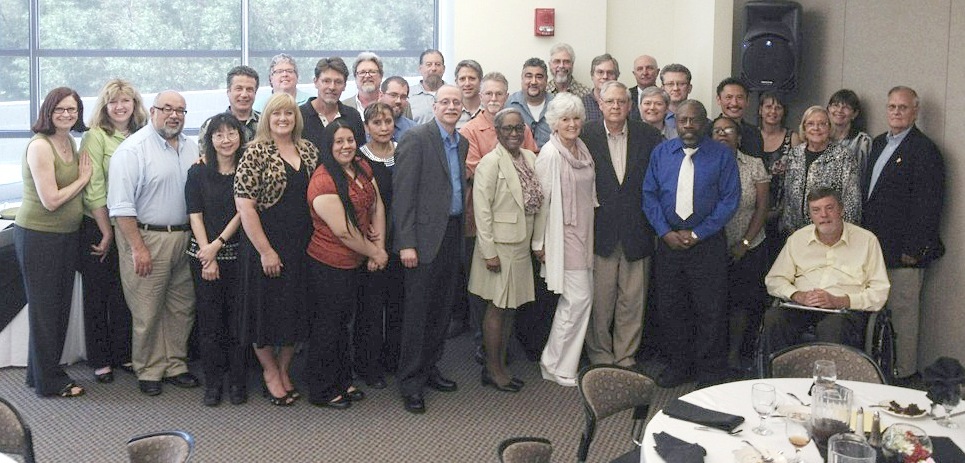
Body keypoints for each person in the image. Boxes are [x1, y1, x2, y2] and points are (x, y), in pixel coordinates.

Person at [642, 99, 739, 387]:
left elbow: (729, 201)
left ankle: (710, 371)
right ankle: (678, 365)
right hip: (669, 243)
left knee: (710, 308)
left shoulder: (722, 156)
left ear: (704, 123)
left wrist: (698, 233)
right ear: (675, 122)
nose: (687, 126)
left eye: (694, 120)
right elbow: (650, 196)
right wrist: (664, 232)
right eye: (682, 120)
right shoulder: (661, 153)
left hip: (707, 244)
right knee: (671, 307)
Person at [108, 91, 199, 397]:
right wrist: (137, 247)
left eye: (181, 111)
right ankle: (148, 369)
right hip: (146, 237)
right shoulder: (132, 150)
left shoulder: (192, 147)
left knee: (181, 307)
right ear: (152, 110)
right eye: (167, 109)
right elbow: (120, 207)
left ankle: (175, 365)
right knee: (147, 310)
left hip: (184, 237)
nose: (174, 115)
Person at [234, 93, 319, 406]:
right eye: (276, 114)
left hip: (302, 245)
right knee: (264, 313)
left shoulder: (309, 150)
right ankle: (270, 371)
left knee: (294, 312)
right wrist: (266, 251)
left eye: (288, 114)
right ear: (267, 119)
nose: (283, 119)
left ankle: (285, 370)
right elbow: (245, 207)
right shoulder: (254, 152)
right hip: (264, 244)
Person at [393, 85, 468, 414]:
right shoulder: (417, 138)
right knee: (418, 313)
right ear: (434, 106)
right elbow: (403, 195)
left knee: (442, 308)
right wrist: (406, 243)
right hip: (421, 240)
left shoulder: (461, 141)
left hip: (452, 233)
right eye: (446, 102)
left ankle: (430, 367)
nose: (451, 106)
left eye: (456, 102)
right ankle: (410, 381)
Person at [862, 86, 945, 384]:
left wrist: (915, 248)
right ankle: (876, 374)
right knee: (874, 315)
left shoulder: (924, 150)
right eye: (892, 107)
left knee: (903, 317)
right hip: (874, 249)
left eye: (903, 107)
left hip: (904, 252)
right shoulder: (877, 143)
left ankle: (903, 378)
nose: (896, 112)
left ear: (915, 111)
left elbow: (929, 203)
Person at [306, 120, 388, 409]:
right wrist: (375, 254)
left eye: (350, 140)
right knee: (328, 327)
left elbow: (377, 205)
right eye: (339, 142)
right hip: (330, 263)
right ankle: (321, 389)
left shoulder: (362, 167)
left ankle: (342, 379)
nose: (346, 146)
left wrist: (379, 247)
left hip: (357, 259)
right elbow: (343, 231)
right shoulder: (323, 180)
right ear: (329, 146)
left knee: (343, 325)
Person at [16, 87, 92, 398]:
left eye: (72, 110)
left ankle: (38, 374)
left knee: (58, 309)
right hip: (39, 236)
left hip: (65, 236)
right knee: (46, 310)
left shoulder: (68, 141)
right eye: (60, 109)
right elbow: (51, 200)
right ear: (48, 111)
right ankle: (50, 382)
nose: (66, 114)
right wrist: (83, 180)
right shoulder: (40, 146)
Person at [580, 81, 662, 369]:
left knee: (632, 300)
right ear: (600, 104)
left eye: (621, 102)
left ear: (630, 106)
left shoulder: (649, 136)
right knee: (600, 301)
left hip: (637, 229)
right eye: (610, 102)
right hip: (599, 230)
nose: (615, 107)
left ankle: (626, 355)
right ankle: (600, 354)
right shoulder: (585, 134)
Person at [460, 72, 538, 359]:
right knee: (489, 301)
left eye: (499, 94)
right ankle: (488, 355)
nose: (494, 99)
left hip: (519, 234)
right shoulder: (471, 132)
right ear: (480, 97)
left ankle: (500, 354)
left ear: (508, 96)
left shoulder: (522, 135)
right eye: (488, 94)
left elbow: (531, 169)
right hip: (486, 231)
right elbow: (476, 174)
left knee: (510, 303)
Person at [467, 108, 542, 392]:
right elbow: (481, 210)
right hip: (498, 247)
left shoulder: (531, 158)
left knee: (511, 309)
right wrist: (488, 252)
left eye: (517, 128)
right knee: (497, 308)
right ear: (497, 132)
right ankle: (493, 369)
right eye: (507, 128)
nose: (513, 133)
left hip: (521, 245)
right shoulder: (489, 163)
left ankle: (501, 366)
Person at [763, 187, 890, 352]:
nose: (823, 215)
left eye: (829, 208)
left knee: (833, 327)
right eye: (816, 210)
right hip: (801, 307)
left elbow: (879, 292)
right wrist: (797, 295)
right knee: (774, 318)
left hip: (844, 312)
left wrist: (840, 300)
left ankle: (824, 376)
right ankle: (779, 375)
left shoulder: (867, 241)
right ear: (810, 215)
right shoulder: (797, 239)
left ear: (841, 210)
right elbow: (774, 280)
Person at [79, 79, 146, 384]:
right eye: (113, 102)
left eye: (125, 101)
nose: (120, 107)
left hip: (130, 225)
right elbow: (94, 188)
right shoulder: (95, 136)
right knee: (98, 296)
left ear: (135, 104)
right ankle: (101, 359)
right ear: (105, 107)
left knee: (125, 294)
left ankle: (123, 353)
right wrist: (106, 231)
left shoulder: (143, 134)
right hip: (99, 226)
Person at [532, 92, 597, 387]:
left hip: (585, 232)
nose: (572, 124)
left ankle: (558, 363)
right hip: (562, 236)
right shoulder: (550, 154)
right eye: (565, 120)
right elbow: (541, 202)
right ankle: (554, 364)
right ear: (554, 124)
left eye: (575, 118)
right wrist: (539, 243)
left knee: (579, 301)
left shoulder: (582, 149)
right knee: (578, 299)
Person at [185, 113, 247, 407]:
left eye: (231, 133)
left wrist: (219, 244)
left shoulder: (247, 169)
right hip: (203, 256)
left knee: (237, 321)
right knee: (209, 323)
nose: (226, 140)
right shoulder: (197, 172)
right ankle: (213, 384)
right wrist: (208, 254)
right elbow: (194, 213)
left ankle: (237, 382)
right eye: (219, 135)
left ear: (240, 136)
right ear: (210, 140)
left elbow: (244, 212)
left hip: (237, 255)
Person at [712, 116, 770, 371]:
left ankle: (734, 355)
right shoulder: (703, 163)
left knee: (741, 304)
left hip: (749, 245)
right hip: (711, 245)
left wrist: (745, 242)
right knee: (713, 304)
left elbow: (762, 207)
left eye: (728, 129)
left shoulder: (754, 165)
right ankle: (712, 357)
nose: (722, 133)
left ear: (739, 136)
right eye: (717, 130)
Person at [356, 103, 404, 388]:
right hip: (371, 241)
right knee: (370, 307)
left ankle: (394, 359)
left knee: (398, 304)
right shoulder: (359, 158)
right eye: (377, 123)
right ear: (367, 127)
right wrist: (374, 246)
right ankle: (368, 365)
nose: (384, 127)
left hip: (402, 241)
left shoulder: (404, 152)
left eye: (388, 122)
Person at [781, 106, 861, 235]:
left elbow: (852, 201)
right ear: (804, 128)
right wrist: (788, 229)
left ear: (830, 128)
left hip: (830, 232)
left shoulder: (843, 156)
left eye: (822, 124)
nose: (816, 128)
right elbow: (788, 196)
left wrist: (843, 233)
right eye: (811, 124)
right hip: (797, 232)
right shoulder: (795, 154)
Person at [757, 92, 799, 259]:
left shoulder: (793, 138)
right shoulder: (751, 136)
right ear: (760, 110)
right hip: (753, 213)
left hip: (781, 213)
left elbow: (797, 178)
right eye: (768, 106)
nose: (773, 111)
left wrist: (782, 209)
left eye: (778, 107)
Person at [300, 57, 366, 151]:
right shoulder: (298, 116)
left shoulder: (353, 116)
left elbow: (359, 156)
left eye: (338, 82)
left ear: (344, 86)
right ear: (315, 82)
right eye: (326, 81)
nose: (332, 87)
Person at [198, 65, 260, 154]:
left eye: (249, 89)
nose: (244, 94)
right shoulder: (210, 125)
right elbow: (205, 160)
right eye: (239, 89)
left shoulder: (266, 123)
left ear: (255, 93)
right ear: (228, 92)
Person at [507, 58, 554, 150]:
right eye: (529, 76)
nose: (533, 82)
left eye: (539, 77)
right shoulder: (509, 104)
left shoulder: (557, 104)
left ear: (546, 80)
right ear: (522, 78)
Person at [827, 89, 872, 180]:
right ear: (828, 109)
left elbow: (865, 176)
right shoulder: (820, 139)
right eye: (835, 105)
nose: (839, 110)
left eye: (846, 107)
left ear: (855, 113)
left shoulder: (863, 142)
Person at [715, 77, 764, 159]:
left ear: (747, 101)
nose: (734, 103)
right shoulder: (708, 130)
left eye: (739, 97)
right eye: (729, 97)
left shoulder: (754, 134)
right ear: (719, 100)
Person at [409, 49, 447, 123]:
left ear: (444, 69)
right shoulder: (408, 96)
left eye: (438, 64)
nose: (433, 68)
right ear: (420, 69)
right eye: (429, 64)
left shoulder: (454, 94)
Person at [342, 52, 384, 117]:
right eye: (362, 72)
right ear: (355, 78)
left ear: (381, 76)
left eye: (372, 72)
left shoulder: (392, 104)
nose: (367, 76)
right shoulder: (342, 107)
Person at [581, 54, 619, 122]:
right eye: (600, 72)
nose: (605, 76)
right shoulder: (581, 104)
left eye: (610, 73)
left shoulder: (624, 104)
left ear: (617, 77)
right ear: (592, 76)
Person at [378, 76, 417, 142]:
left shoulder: (415, 131)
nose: (398, 101)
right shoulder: (368, 128)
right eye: (393, 95)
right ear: (381, 95)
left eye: (403, 97)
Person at [659, 63, 694, 133]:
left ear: (689, 88)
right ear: (662, 89)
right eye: (670, 84)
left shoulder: (701, 120)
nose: (675, 88)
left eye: (681, 84)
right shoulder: (655, 119)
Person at [455, 59, 484, 129]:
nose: (467, 83)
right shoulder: (451, 112)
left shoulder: (489, 111)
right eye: (462, 79)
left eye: (472, 78)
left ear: (481, 81)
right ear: (456, 82)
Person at [629, 55, 659, 120]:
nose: (645, 73)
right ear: (634, 74)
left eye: (649, 68)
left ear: (657, 72)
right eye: (640, 69)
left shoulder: (665, 96)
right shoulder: (626, 96)